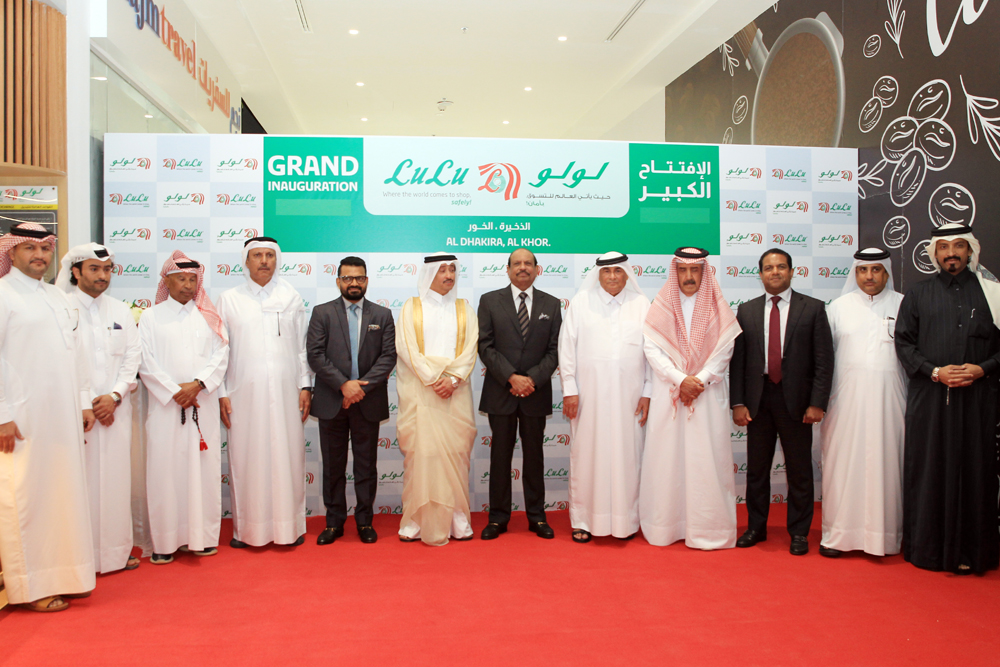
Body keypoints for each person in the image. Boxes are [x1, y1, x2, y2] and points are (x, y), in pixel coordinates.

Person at [0, 223, 97, 612]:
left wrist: (84, 401)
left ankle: (66, 575)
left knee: (63, 494)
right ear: (11, 252)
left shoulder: (58, 297)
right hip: (23, 419)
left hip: (62, 416)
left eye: (45, 248)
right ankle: (31, 586)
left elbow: (76, 356)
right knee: (26, 497)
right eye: (30, 248)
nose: (39, 255)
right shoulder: (3, 295)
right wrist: (3, 414)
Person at [894, 223, 1000, 574]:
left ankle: (974, 552)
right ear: (934, 254)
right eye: (944, 247)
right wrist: (935, 371)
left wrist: (981, 369)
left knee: (977, 470)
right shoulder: (918, 293)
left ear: (970, 251)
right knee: (929, 469)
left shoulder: (993, 293)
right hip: (930, 399)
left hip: (978, 399)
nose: (951, 253)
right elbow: (904, 343)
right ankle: (929, 551)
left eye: (958, 246)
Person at [730, 248, 833, 556]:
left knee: (800, 470)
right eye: (768, 268)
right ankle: (755, 528)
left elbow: (823, 361)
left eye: (780, 267)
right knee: (757, 471)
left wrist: (817, 403)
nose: (774, 272)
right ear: (760, 274)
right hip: (758, 400)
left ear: (791, 271)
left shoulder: (813, 308)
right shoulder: (746, 311)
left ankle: (799, 532)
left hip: (797, 403)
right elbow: (738, 362)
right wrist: (738, 402)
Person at [641, 247, 741, 549]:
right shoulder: (661, 304)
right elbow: (651, 348)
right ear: (675, 272)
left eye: (695, 270)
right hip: (670, 392)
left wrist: (699, 380)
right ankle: (665, 527)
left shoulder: (717, 306)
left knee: (705, 461)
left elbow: (725, 349)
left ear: (704, 272)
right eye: (683, 270)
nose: (688, 276)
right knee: (666, 461)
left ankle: (708, 530)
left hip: (706, 396)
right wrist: (680, 380)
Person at [216, 237, 313, 549]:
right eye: (257, 255)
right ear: (246, 261)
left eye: (270, 255)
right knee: (247, 459)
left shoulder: (291, 296)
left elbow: (301, 348)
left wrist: (305, 385)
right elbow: (219, 350)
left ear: (277, 259)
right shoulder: (229, 299)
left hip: (287, 393)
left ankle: (290, 528)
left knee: (288, 457)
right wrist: (220, 392)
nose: (264, 261)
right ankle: (248, 530)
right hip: (243, 393)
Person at [138, 251, 229, 564]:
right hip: (165, 409)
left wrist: (199, 385)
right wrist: (174, 390)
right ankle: (164, 543)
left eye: (193, 279)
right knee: (165, 474)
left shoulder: (209, 316)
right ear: (167, 281)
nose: (188, 285)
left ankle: (201, 539)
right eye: (181, 279)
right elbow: (144, 361)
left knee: (202, 472)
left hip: (201, 405)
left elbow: (221, 355)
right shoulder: (150, 317)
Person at [56, 243, 142, 573]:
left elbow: (131, 358)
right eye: (94, 269)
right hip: (76, 414)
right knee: (80, 484)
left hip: (115, 411)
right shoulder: (61, 308)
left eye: (107, 270)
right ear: (76, 272)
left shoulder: (120, 311)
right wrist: (86, 403)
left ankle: (115, 554)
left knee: (116, 482)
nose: (102, 276)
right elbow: (62, 361)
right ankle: (80, 558)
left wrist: (115, 397)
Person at [558, 251, 651, 544]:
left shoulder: (641, 305)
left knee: (628, 458)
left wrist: (648, 392)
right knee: (588, 457)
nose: (612, 277)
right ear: (598, 275)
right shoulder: (582, 303)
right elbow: (567, 349)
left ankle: (626, 521)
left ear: (627, 274)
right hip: (589, 399)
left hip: (631, 399)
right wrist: (570, 390)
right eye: (606, 272)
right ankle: (584, 521)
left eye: (618, 272)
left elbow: (652, 355)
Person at [819, 248, 905, 558]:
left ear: (886, 273)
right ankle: (839, 535)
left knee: (887, 465)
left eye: (876, 270)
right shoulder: (838, 308)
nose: (869, 277)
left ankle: (885, 538)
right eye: (862, 271)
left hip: (891, 404)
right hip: (845, 404)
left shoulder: (904, 305)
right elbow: (823, 360)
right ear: (855, 274)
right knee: (843, 465)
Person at [307, 256, 395, 545]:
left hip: (367, 402)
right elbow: (315, 355)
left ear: (367, 280)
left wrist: (359, 389)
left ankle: (365, 522)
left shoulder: (382, 315)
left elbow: (388, 357)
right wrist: (344, 385)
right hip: (332, 401)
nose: (354, 283)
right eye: (348, 278)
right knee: (333, 466)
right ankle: (333, 523)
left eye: (359, 278)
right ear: (338, 281)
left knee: (366, 466)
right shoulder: (322, 313)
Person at [477, 248, 561, 541]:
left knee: (534, 458)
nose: (522, 268)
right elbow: (485, 347)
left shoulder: (551, 304)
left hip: (535, 394)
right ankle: (498, 519)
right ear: (508, 269)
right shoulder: (489, 301)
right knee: (499, 459)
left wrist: (532, 380)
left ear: (538, 269)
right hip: (501, 391)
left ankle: (537, 517)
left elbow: (554, 351)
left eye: (528, 263)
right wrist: (512, 377)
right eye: (517, 264)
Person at [395, 253, 478, 546]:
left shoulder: (464, 309)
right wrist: (434, 379)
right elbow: (407, 348)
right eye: (442, 270)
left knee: (455, 454)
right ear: (428, 273)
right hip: (421, 392)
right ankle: (417, 519)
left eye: (453, 270)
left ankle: (456, 517)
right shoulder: (410, 307)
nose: (448, 275)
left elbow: (470, 349)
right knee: (423, 454)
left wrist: (453, 380)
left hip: (455, 394)